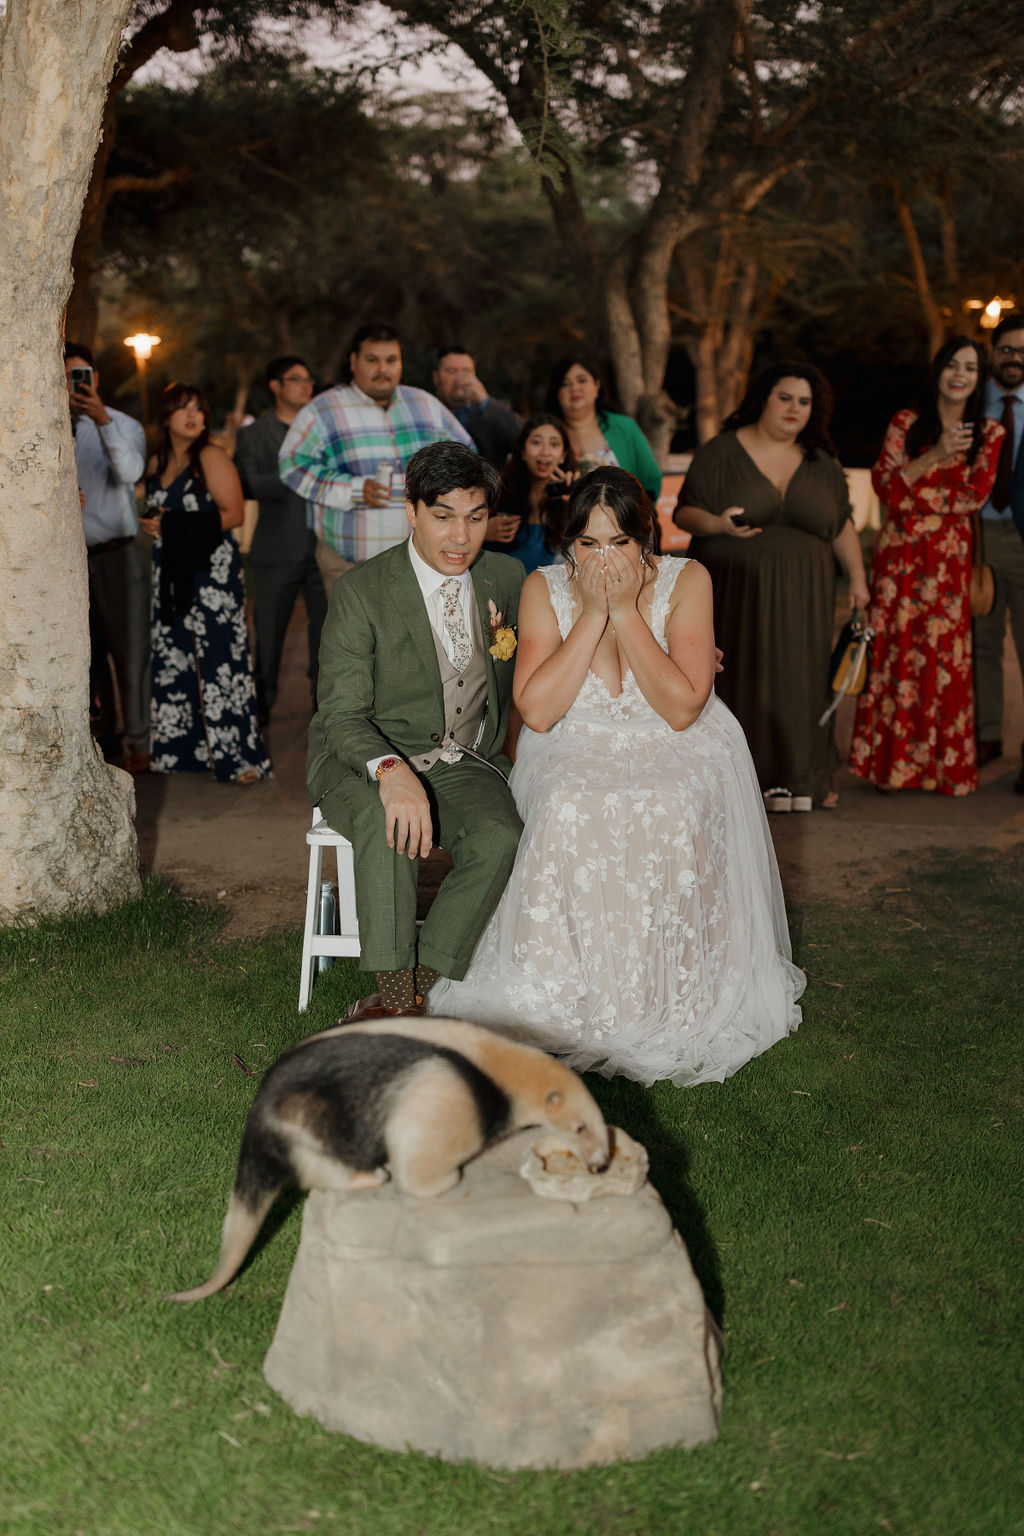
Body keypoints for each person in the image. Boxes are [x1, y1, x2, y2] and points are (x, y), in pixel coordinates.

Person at [429, 468, 804, 1087]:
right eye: (589, 544)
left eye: (620, 543)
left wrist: (627, 613)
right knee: (569, 801)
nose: (606, 558)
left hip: (674, 737)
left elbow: (682, 708)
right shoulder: (544, 587)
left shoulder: (689, 580)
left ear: (645, 541)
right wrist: (591, 615)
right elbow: (541, 711)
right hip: (575, 738)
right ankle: (567, 986)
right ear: (568, 544)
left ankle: (672, 988)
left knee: (670, 801)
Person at [308, 441, 525, 1018]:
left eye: (475, 518)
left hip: (460, 757)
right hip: (361, 755)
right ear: (411, 512)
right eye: (443, 516)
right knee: (388, 822)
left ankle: (417, 982)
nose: (460, 537)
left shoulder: (506, 577)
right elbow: (342, 712)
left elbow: (569, 626)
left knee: (499, 836)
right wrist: (389, 770)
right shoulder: (362, 590)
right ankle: (398, 1005)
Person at [673, 361, 869, 809]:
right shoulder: (721, 451)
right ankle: (738, 780)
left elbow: (841, 525)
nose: (794, 409)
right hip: (735, 592)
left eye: (805, 402)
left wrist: (858, 579)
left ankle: (802, 780)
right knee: (742, 678)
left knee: (802, 682)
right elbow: (686, 512)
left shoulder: (821, 461)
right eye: (785, 398)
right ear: (763, 398)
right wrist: (718, 523)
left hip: (806, 598)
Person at [849, 337, 1003, 797]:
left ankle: (942, 769)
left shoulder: (989, 433)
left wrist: (912, 494)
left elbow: (973, 495)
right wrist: (935, 454)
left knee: (944, 659)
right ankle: (891, 768)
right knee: (897, 652)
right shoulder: (906, 422)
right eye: (952, 365)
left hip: (949, 563)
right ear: (937, 371)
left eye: (971, 368)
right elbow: (883, 487)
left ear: (979, 379)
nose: (960, 374)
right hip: (899, 562)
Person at [278, 322, 474, 595]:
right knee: (356, 638)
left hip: (423, 564)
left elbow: (467, 455)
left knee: (419, 638)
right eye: (372, 360)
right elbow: (292, 465)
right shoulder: (323, 410)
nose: (383, 369)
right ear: (354, 361)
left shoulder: (425, 405)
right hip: (349, 565)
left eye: (391, 360)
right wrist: (353, 489)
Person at [139, 384, 270, 784]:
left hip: (213, 576)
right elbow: (157, 510)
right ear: (166, 416)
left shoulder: (211, 456)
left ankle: (239, 757)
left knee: (222, 662)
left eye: (199, 408)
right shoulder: (157, 460)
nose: (193, 416)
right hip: (172, 572)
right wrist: (153, 523)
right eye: (183, 409)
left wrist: (174, 525)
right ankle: (185, 753)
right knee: (174, 657)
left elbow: (231, 515)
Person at [65, 342, 150, 774]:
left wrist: (101, 421)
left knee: (130, 652)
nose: (75, 385)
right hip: (69, 560)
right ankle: (106, 739)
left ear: (96, 379)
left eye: (81, 376)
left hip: (119, 556)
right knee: (87, 655)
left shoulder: (124, 425)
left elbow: (131, 474)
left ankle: (140, 742)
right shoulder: (45, 428)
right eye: (67, 377)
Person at [234, 356, 327, 721]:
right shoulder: (254, 433)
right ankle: (261, 708)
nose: (306, 386)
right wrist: (298, 476)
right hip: (275, 548)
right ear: (275, 385)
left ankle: (325, 708)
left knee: (327, 637)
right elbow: (246, 483)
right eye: (297, 379)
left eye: (309, 379)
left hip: (323, 548)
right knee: (268, 637)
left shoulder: (323, 430)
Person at [973, 313, 1024, 792]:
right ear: (993, 353)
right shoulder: (972, 401)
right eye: (1007, 349)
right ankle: (985, 736)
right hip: (977, 537)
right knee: (981, 641)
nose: (1015, 358)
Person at [544, 354, 662, 503]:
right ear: (556, 393)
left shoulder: (625, 427)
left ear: (597, 386)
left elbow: (651, 482)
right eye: (565, 383)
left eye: (582, 380)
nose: (574, 388)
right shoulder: (546, 433)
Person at [484, 413, 577, 574]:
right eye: (536, 442)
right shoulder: (498, 495)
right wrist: (483, 532)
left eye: (554, 444)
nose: (545, 452)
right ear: (523, 451)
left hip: (548, 595)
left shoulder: (571, 500)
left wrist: (577, 501)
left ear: (563, 455)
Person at [432, 345, 521, 467]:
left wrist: (485, 401)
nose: (460, 378)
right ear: (436, 377)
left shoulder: (492, 410)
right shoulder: (426, 409)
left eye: (466, 371)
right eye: (452, 371)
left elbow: (521, 437)